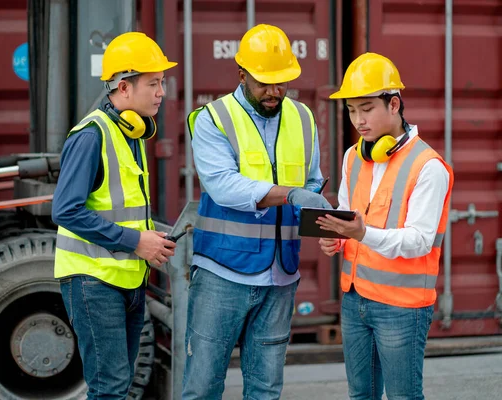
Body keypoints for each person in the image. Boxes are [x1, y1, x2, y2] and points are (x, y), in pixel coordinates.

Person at [182, 24, 331, 399]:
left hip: (281, 274)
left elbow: (311, 182)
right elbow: (223, 185)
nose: (275, 91)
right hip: (223, 272)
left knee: (266, 390)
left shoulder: (303, 117)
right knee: (202, 387)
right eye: (265, 82)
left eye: (282, 82)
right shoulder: (213, 119)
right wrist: (290, 194)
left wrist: (320, 211)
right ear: (242, 74)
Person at [318, 52, 454, 400]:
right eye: (351, 110)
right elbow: (348, 215)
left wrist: (362, 233)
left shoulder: (428, 166)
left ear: (394, 104)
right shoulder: (353, 157)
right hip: (354, 299)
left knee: (403, 397)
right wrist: (337, 239)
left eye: (366, 108)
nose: (358, 120)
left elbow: (420, 241)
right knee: (360, 396)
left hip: (402, 307)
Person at [52, 32, 178, 399]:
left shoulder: (132, 134)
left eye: (162, 83)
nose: (161, 92)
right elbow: (65, 210)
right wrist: (137, 241)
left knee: (117, 387)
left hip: (126, 279)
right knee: (109, 388)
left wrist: (149, 240)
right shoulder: (91, 136)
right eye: (153, 83)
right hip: (94, 282)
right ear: (124, 87)